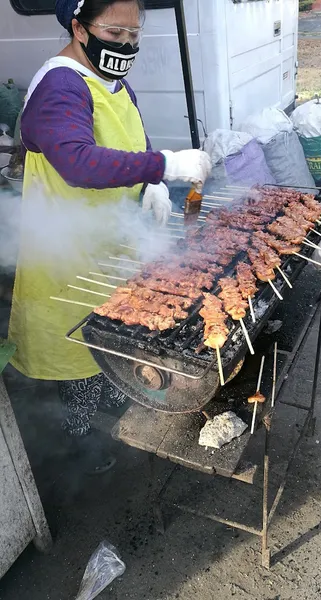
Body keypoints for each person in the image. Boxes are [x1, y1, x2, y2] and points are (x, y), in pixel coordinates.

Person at [8, 0, 211, 472]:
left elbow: (130, 144)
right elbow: (78, 161)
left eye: (134, 35)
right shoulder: (59, 85)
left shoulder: (112, 82)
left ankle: (108, 403)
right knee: (77, 353)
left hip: (110, 241)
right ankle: (78, 441)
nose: (126, 45)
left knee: (110, 340)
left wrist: (152, 186)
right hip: (66, 251)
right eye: (114, 34)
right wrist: (165, 164)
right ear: (79, 28)